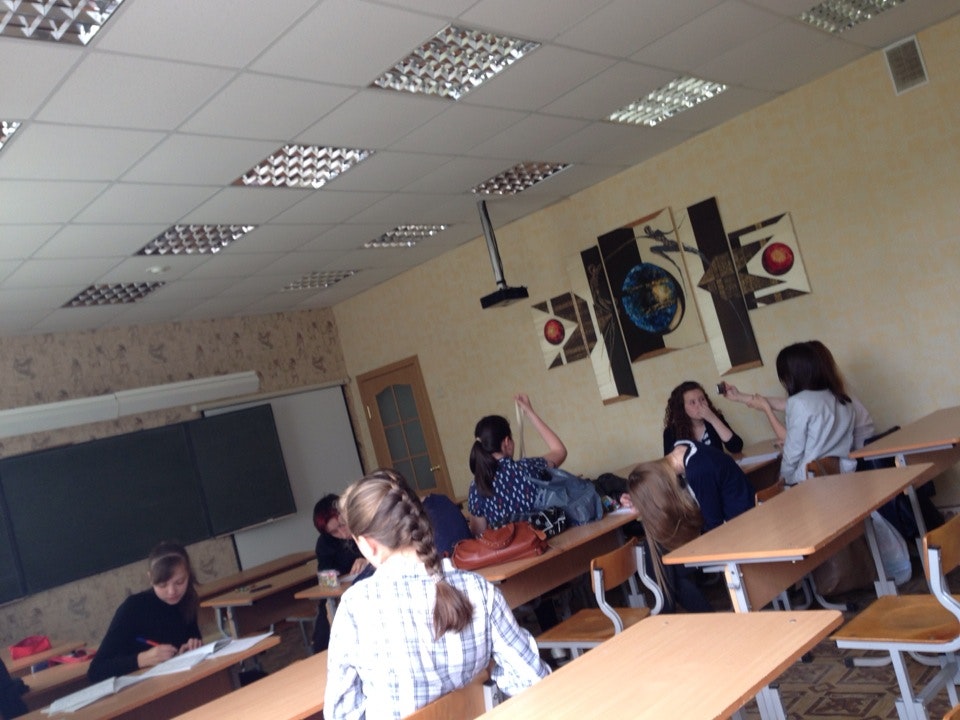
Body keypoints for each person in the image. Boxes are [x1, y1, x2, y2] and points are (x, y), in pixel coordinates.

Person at [324, 469, 549, 720]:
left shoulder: (355, 608)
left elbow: (341, 714)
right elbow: (532, 678)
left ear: (368, 544)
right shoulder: (478, 589)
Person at [621, 441, 755, 612]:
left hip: (735, 529)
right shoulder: (685, 449)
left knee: (667, 565)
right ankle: (685, 613)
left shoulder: (698, 471)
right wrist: (642, 499)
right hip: (738, 519)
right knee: (662, 558)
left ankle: (683, 614)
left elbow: (713, 524)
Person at [723, 340, 874, 450]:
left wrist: (767, 410)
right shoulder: (825, 395)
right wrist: (739, 396)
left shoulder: (819, 401)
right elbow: (782, 404)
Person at [88, 541, 203, 683]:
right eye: (162, 585)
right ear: (151, 578)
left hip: (178, 678)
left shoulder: (187, 598)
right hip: (141, 686)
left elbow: (191, 636)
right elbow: (95, 671)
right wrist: (141, 659)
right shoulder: (133, 608)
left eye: (179, 582)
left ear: (188, 575)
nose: (172, 591)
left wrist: (191, 646)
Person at [468, 394, 566, 534]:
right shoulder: (530, 467)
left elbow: (479, 534)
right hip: (541, 542)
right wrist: (529, 412)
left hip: (507, 548)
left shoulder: (477, 486)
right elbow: (559, 450)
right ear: (507, 442)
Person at [312, 494, 371, 654]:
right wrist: (332, 577)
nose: (343, 533)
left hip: (369, 589)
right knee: (325, 630)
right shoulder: (325, 543)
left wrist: (368, 560)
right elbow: (325, 578)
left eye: (342, 525)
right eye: (334, 531)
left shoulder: (365, 526)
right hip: (342, 594)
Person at [662, 381, 743, 455]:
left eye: (702, 399)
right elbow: (669, 464)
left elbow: (736, 447)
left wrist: (713, 419)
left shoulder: (716, 418)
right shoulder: (670, 432)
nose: (700, 405)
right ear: (682, 408)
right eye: (692, 402)